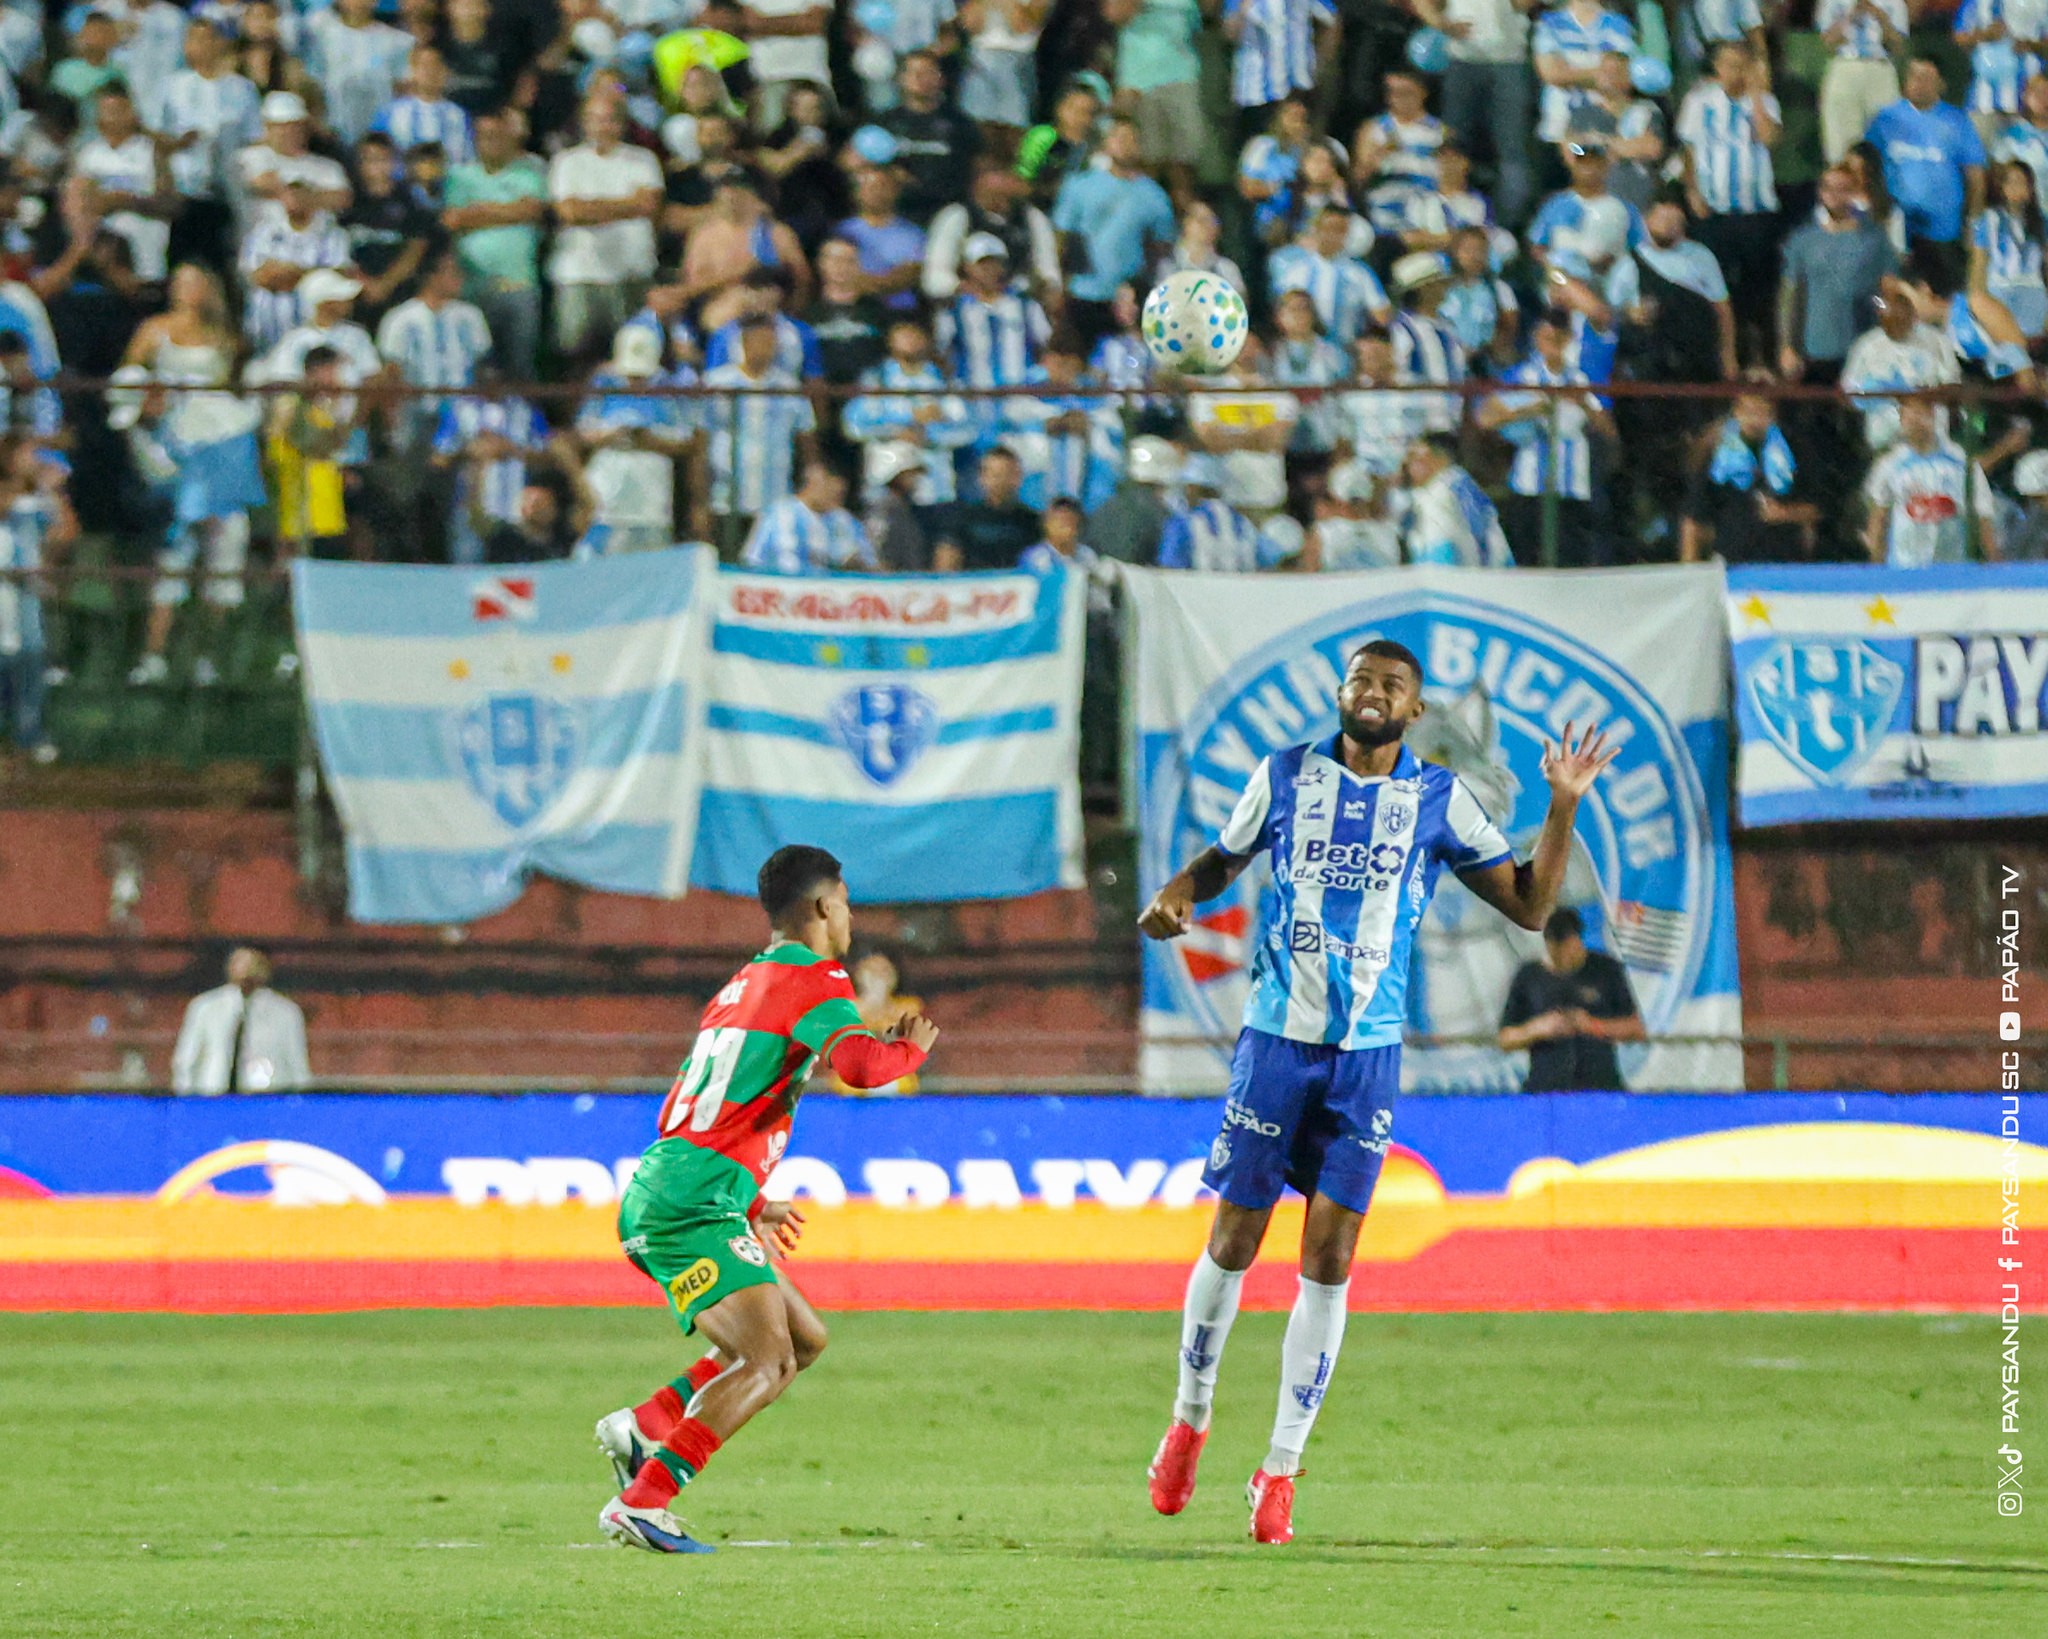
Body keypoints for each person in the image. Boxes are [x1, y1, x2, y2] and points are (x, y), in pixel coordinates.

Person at [1139, 641, 1616, 1543]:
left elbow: (1529, 904)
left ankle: (1279, 1467)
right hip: (1276, 1043)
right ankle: (1190, 1419)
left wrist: (1562, 804)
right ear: (1342, 691)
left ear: (1416, 708)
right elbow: (1219, 859)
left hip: (1366, 1061)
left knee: (1329, 1261)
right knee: (1233, 1240)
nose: (1374, 693)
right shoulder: (1283, 777)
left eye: (1392, 685)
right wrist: (1175, 894)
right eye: (1362, 679)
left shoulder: (1437, 799)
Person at [596, 845, 938, 1553]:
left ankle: (646, 1424)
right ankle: (645, 1497)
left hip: (689, 1187)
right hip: (689, 1204)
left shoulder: (744, 982)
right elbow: (859, 1065)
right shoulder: (817, 980)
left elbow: (701, 1106)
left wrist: (748, 1199)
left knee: (803, 1339)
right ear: (821, 907)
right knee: (766, 1360)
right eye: (844, 901)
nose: (849, 916)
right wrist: (909, 1050)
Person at [1478, 313, 1614, 566]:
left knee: (1571, 563)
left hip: (1571, 488)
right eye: (1546, 338)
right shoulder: (1523, 376)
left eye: (1558, 338)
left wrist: (1583, 403)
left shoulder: (1583, 378)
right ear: (1536, 339)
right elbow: (1485, 417)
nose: (1552, 344)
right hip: (1529, 486)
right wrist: (1527, 411)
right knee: (1526, 560)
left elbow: (1608, 429)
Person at [549, 93, 665, 364]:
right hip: (579, 275)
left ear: (622, 124)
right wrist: (628, 204)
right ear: (584, 123)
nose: (603, 126)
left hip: (632, 273)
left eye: (611, 120)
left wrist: (592, 208)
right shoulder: (567, 161)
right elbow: (570, 213)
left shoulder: (644, 159)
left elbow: (649, 206)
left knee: (635, 356)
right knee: (573, 356)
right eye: (596, 120)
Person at [1050, 116, 1178, 348]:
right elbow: (1063, 237)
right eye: (1118, 138)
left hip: (1129, 297)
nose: (1124, 144)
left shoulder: (1154, 196)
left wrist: (1140, 283)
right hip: (1083, 292)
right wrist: (1064, 283)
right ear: (1106, 143)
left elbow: (1161, 246)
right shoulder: (1079, 185)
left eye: (1131, 139)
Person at [443, 108, 549, 381]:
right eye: (484, 136)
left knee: (520, 366)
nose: (491, 142)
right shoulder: (459, 176)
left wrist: (477, 213)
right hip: (472, 286)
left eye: (498, 136)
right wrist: (509, 210)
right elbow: (453, 219)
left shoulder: (529, 173)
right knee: (474, 367)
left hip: (519, 284)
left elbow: (532, 210)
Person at [1864, 58, 1989, 284]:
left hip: (1944, 233)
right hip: (1895, 230)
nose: (1918, 83)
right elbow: (1867, 166)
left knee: (1942, 297)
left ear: (1941, 85)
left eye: (1927, 78)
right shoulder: (1885, 119)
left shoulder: (1957, 121)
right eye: (1914, 76)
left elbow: (1976, 177)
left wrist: (1973, 222)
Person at [1414, 0, 1534, 226]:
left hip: (1508, 61)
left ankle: (1500, 232)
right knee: (1451, 149)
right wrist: (1441, 23)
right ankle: (1444, 225)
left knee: (1512, 154)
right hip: (1461, 59)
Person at [1497, 907, 1643, 1092]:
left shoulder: (1606, 970)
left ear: (1578, 940)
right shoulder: (1528, 977)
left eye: (1567, 950)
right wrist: (1538, 1029)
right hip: (1546, 1090)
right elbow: (1505, 1039)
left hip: (1599, 1087)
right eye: (1555, 953)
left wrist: (1592, 1026)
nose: (1562, 959)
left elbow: (1636, 1029)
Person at [1863, 396, 2000, 565]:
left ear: (1933, 416)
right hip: (1904, 567)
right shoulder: (1889, 465)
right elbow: (1878, 517)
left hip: (1953, 568)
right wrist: (1876, 567)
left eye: (1921, 412)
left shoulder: (1961, 462)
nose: (1914, 420)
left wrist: (1995, 562)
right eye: (1908, 413)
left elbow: (1982, 514)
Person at [171, 946, 311, 1095]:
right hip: (213, 1099)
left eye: (253, 964)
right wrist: (185, 1100)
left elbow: (297, 1064)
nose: (247, 970)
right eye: (240, 963)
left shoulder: (286, 1012)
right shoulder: (205, 1007)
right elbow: (186, 1060)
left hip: (268, 1101)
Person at [741, 459, 877, 571]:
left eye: (840, 495)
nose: (836, 500)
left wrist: (855, 562)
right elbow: (752, 559)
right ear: (814, 482)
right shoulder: (779, 514)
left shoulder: (844, 521)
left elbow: (870, 563)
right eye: (831, 492)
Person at [1815, 0, 1908, 165]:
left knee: (1887, 137)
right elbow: (1828, 42)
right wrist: (1850, 16)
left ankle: (1883, 186)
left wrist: (1881, 18)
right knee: (1841, 142)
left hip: (1881, 66)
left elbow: (1898, 46)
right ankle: (1844, 184)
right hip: (1845, 65)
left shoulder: (1895, 3)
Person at [1400, 431, 1512, 566]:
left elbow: (1438, 558)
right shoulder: (1464, 485)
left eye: (1415, 457)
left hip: (1458, 582)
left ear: (1438, 459)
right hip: (1495, 578)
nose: (1408, 465)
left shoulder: (1436, 497)